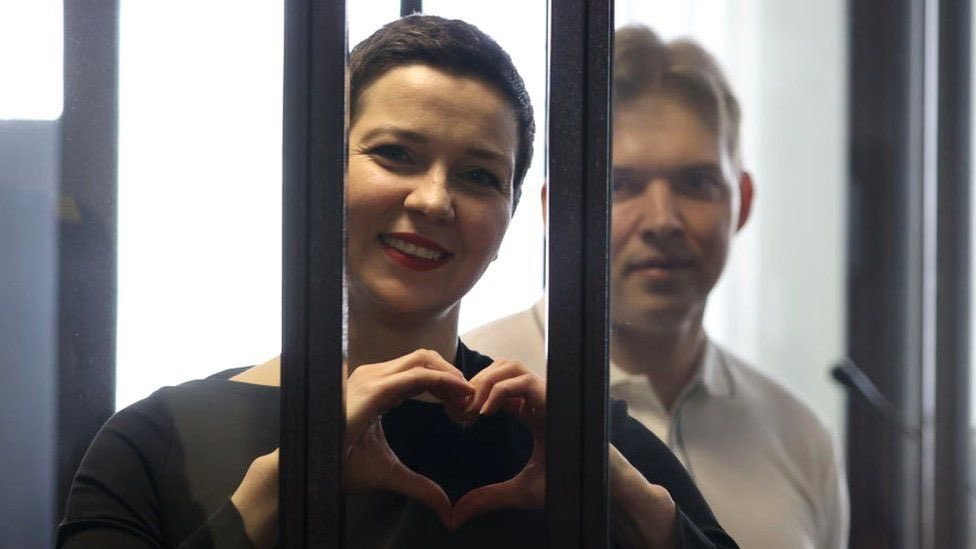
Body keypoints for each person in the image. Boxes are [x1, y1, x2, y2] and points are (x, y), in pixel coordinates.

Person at [57, 15, 737, 549]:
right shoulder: (154, 443)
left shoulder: (575, 442)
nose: (434, 201)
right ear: (322, 173)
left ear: (510, 219)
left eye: (479, 175)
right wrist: (279, 491)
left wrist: (627, 499)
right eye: (395, 154)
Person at [464, 25, 849, 548]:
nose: (663, 219)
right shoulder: (470, 393)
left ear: (743, 202)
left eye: (696, 183)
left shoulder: (801, 439)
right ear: (557, 210)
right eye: (622, 184)